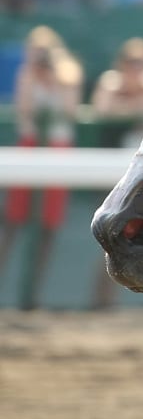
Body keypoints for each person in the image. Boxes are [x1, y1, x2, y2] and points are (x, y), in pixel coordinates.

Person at [0, 26, 83, 309]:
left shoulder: (68, 73)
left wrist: (53, 79)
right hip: (30, 146)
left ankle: (33, 293)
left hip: (57, 149)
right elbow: (25, 110)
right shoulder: (27, 74)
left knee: (47, 226)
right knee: (12, 222)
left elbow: (70, 110)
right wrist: (36, 75)